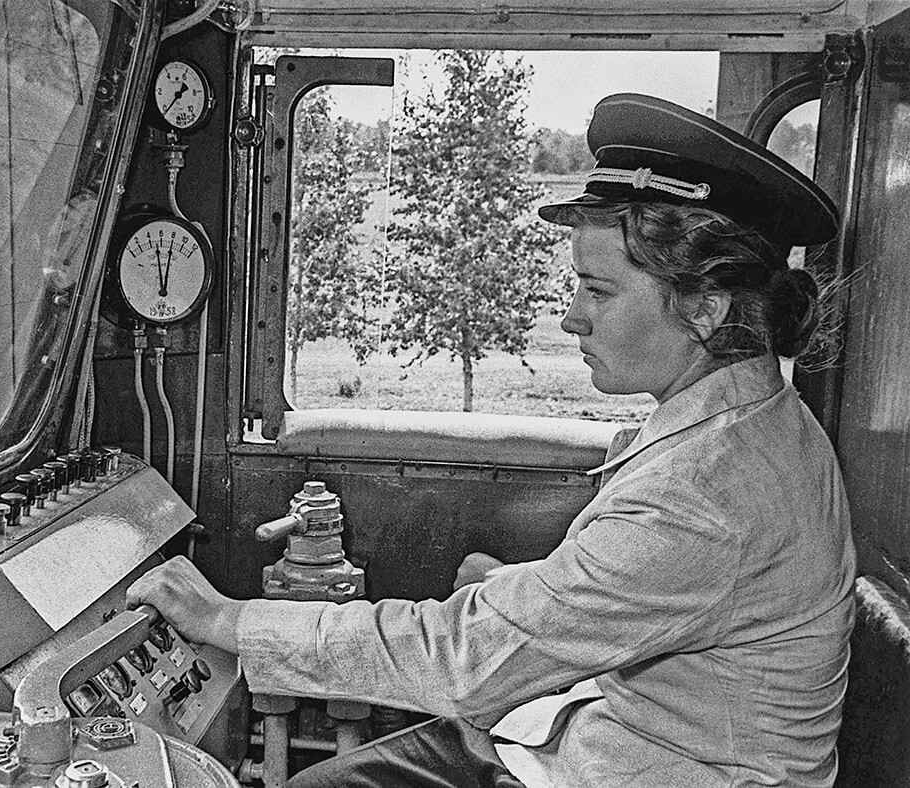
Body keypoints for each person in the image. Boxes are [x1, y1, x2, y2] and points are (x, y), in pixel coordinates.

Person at [126, 93, 856, 788]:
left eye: (597, 291)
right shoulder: (747, 422)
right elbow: (634, 598)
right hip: (604, 742)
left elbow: (466, 660)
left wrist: (228, 620)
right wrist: (510, 589)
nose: (572, 319)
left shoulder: (707, 491)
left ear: (703, 308)